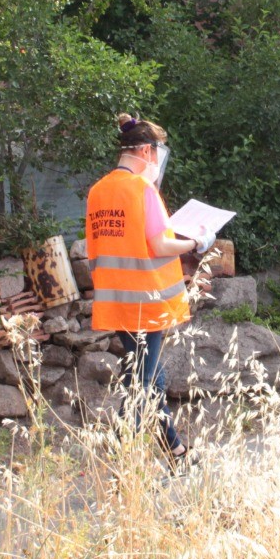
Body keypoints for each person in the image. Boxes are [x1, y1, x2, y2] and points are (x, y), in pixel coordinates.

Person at [85, 114, 202, 459]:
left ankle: (175, 448)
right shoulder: (142, 190)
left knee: (153, 379)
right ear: (148, 151)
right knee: (144, 384)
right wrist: (196, 241)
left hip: (116, 302)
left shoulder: (98, 191)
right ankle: (125, 464)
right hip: (148, 302)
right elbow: (161, 244)